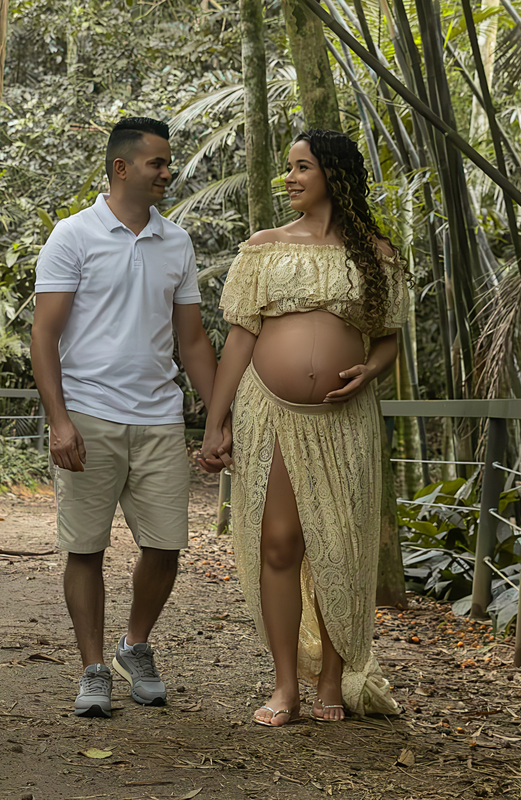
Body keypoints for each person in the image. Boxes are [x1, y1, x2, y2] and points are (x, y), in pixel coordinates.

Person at [198, 129, 406, 726]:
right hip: (272, 413)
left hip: (345, 418)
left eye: (302, 167)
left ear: (333, 176)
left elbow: (388, 339)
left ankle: (333, 682)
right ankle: (285, 685)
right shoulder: (263, 249)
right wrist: (217, 422)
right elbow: (240, 337)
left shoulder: (376, 252)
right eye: (288, 167)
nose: (289, 178)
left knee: (341, 545)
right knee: (280, 542)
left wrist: (369, 371)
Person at [31, 117, 218, 718]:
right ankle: (91, 670)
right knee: (84, 548)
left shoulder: (177, 242)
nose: (168, 173)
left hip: (160, 416)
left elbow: (192, 341)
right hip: (89, 414)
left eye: (168, 164)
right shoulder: (72, 236)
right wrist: (60, 421)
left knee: (165, 547)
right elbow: (44, 335)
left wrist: (217, 418)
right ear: (121, 168)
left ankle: (133, 646)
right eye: (157, 164)